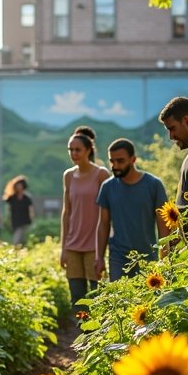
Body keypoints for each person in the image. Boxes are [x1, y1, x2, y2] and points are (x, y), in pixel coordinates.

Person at [95, 138, 169, 281]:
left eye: (120, 161)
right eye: (112, 161)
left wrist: (164, 258)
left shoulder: (154, 185)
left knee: (147, 301)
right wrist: (99, 258)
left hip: (148, 257)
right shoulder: (107, 187)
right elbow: (103, 225)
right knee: (120, 300)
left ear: (133, 159)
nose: (115, 165)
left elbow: (163, 224)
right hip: (118, 258)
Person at [60, 126, 111, 309]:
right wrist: (63, 247)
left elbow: (108, 211)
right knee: (77, 299)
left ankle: (95, 336)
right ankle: (83, 335)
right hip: (73, 244)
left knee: (96, 297)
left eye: (77, 149)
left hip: (94, 246)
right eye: (70, 150)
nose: (73, 153)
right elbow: (67, 212)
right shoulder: (68, 176)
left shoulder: (101, 174)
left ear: (88, 150)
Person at [3, 175, 34, 245]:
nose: (18, 187)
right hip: (15, 221)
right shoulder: (11, 198)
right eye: (17, 185)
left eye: (19, 185)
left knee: (20, 239)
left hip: (25, 221)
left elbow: (30, 210)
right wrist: (7, 220)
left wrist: (31, 219)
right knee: (18, 239)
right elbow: (8, 209)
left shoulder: (27, 198)